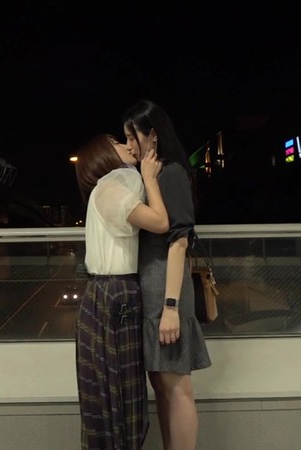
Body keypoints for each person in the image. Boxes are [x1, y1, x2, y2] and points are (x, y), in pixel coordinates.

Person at [122, 100, 212, 450]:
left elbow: (179, 242)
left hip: (167, 292)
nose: (129, 145)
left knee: (177, 387)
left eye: (133, 137)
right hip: (152, 290)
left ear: (153, 136)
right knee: (161, 386)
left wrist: (171, 307)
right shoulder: (153, 175)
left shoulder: (171, 172)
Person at [73, 133, 169, 449]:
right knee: (122, 390)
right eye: (118, 142)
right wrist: (150, 177)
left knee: (106, 387)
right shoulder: (115, 184)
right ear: (103, 153)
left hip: (104, 293)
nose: (128, 146)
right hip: (116, 292)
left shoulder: (105, 188)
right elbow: (160, 222)